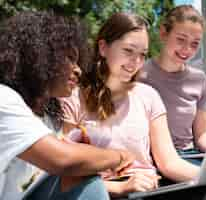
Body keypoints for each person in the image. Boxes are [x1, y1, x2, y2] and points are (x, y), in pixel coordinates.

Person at [60, 11, 206, 200]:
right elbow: (64, 170)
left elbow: (168, 162)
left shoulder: (148, 95)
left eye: (142, 54)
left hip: (151, 187)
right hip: (108, 191)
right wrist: (119, 188)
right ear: (103, 47)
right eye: (128, 50)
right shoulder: (73, 98)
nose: (135, 62)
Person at [0, 11, 134, 200]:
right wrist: (118, 157)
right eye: (70, 58)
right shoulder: (4, 99)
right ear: (39, 56)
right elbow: (63, 160)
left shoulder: (46, 116)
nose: (78, 69)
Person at [139, 5, 206, 165]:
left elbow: (202, 134)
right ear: (164, 33)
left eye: (195, 43)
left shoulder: (199, 80)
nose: (187, 49)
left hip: (190, 156)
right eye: (181, 39)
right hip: (155, 159)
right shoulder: (139, 75)